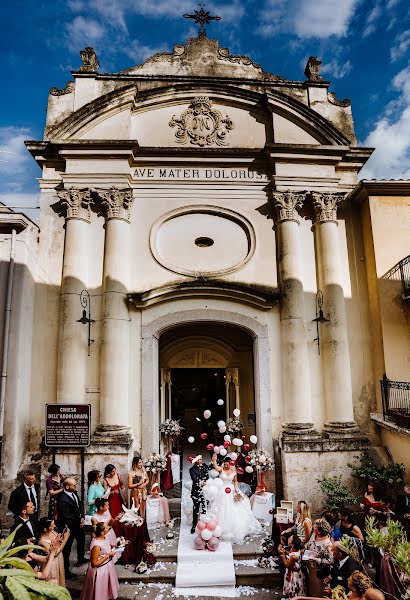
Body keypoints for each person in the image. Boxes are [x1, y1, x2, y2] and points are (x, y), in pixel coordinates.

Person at [210, 454, 262, 544]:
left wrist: (236, 490)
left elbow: (235, 481)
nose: (226, 466)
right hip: (222, 491)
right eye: (225, 464)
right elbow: (215, 466)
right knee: (222, 508)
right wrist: (214, 460)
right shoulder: (220, 470)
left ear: (230, 464)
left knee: (236, 507)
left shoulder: (233, 472)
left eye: (227, 464)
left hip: (231, 490)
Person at [80, 522, 119, 600]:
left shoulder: (104, 537)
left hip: (107, 567)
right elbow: (94, 563)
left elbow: (105, 546)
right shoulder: (96, 546)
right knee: (100, 593)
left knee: (106, 591)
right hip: (100, 572)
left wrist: (112, 546)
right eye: (106, 527)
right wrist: (108, 555)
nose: (109, 527)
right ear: (102, 532)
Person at [57, 477, 87, 579]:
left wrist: (82, 516)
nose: (76, 486)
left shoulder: (74, 493)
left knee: (81, 540)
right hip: (68, 527)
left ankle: (81, 558)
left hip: (78, 525)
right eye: (74, 485)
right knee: (67, 549)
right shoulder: (62, 499)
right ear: (67, 486)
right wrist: (79, 521)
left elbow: (80, 504)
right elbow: (67, 516)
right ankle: (66, 571)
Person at [305, 517, 333, 596]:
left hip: (319, 570)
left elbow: (330, 560)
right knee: (311, 586)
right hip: (310, 567)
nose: (313, 528)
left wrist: (317, 559)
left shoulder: (328, 544)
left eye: (315, 528)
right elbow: (309, 544)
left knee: (317, 590)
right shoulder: (314, 534)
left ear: (320, 531)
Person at [38, 517, 70, 586]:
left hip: (59, 560)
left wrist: (62, 537)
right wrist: (65, 539)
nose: (54, 526)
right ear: (45, 529)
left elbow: (57, 544)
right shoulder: (42, 541)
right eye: (52, 526)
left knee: (60, 578)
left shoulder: (52, 531)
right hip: (52, 563)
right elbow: (55, 553)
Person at [189, 455, 209, 534]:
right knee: (196, 508)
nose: (198, 461)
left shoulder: (204, 466)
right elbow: (194, 479)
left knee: (205, 508)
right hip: (196, 491)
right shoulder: (192, 469)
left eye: (200, 459)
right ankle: (194, 525)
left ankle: (204, 525)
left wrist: (206, 482)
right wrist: (201, 483)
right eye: (197, 460)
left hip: (205, 491)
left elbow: (207, 475)